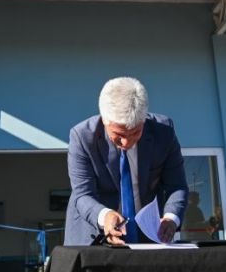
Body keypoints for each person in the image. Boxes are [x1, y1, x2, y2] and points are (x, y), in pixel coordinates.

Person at [64, 77, 188, 245]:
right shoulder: (82, 138)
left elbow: (177, 185)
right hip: (94, 236)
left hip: (149, 235)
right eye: (119, 134)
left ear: (144, 120)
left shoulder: (164, 133)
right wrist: (105, 216)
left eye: (135, 132)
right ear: (104, 120)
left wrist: (171, 217)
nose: (127, 142)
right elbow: (83, 195)